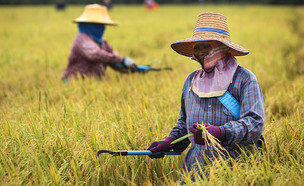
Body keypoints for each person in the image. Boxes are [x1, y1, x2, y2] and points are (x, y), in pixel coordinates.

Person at [147, 12, 266, 182]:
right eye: (197, 47)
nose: (200, 52)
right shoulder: (192, 81)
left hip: (235, 170)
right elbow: (184, 123)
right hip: (195, 170)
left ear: (221, 46)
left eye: (206, 46)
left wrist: (219, 132)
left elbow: (254, 124)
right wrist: (170, 142)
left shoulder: (244, 79)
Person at [62, 4, 137, 83]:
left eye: (103, 25)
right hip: (74, 82)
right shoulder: (81, 39)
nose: (102, 28)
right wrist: (121, 59)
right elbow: (95, 54)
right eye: (99, 25)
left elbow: (114, 62)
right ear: (89, 24)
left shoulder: (103, 43)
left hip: (93, 83)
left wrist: (133, 68)